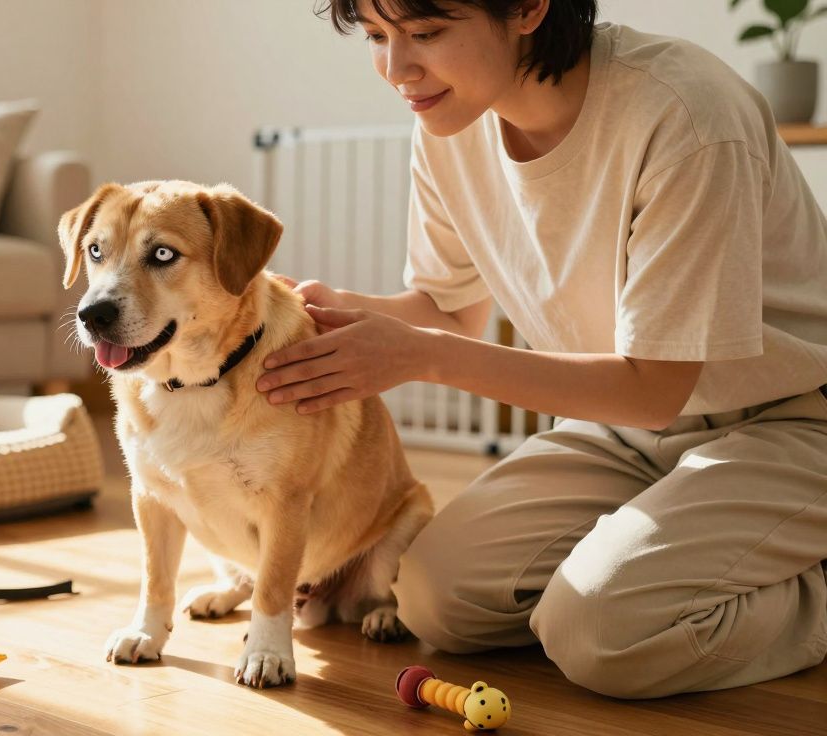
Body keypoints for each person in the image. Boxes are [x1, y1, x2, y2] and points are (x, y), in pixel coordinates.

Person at [256, 0, 827, 698]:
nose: (396, 69)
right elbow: (449, 309)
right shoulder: (449, 118)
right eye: (377, 37)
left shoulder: (685, 114)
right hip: (623, 432)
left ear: (528, 7)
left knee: (599, 631)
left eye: (426, 34)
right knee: (435, 599)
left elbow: (653, 386)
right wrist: (335, 311)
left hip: (791, 423)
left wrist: (420, 354)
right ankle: (664, 568)